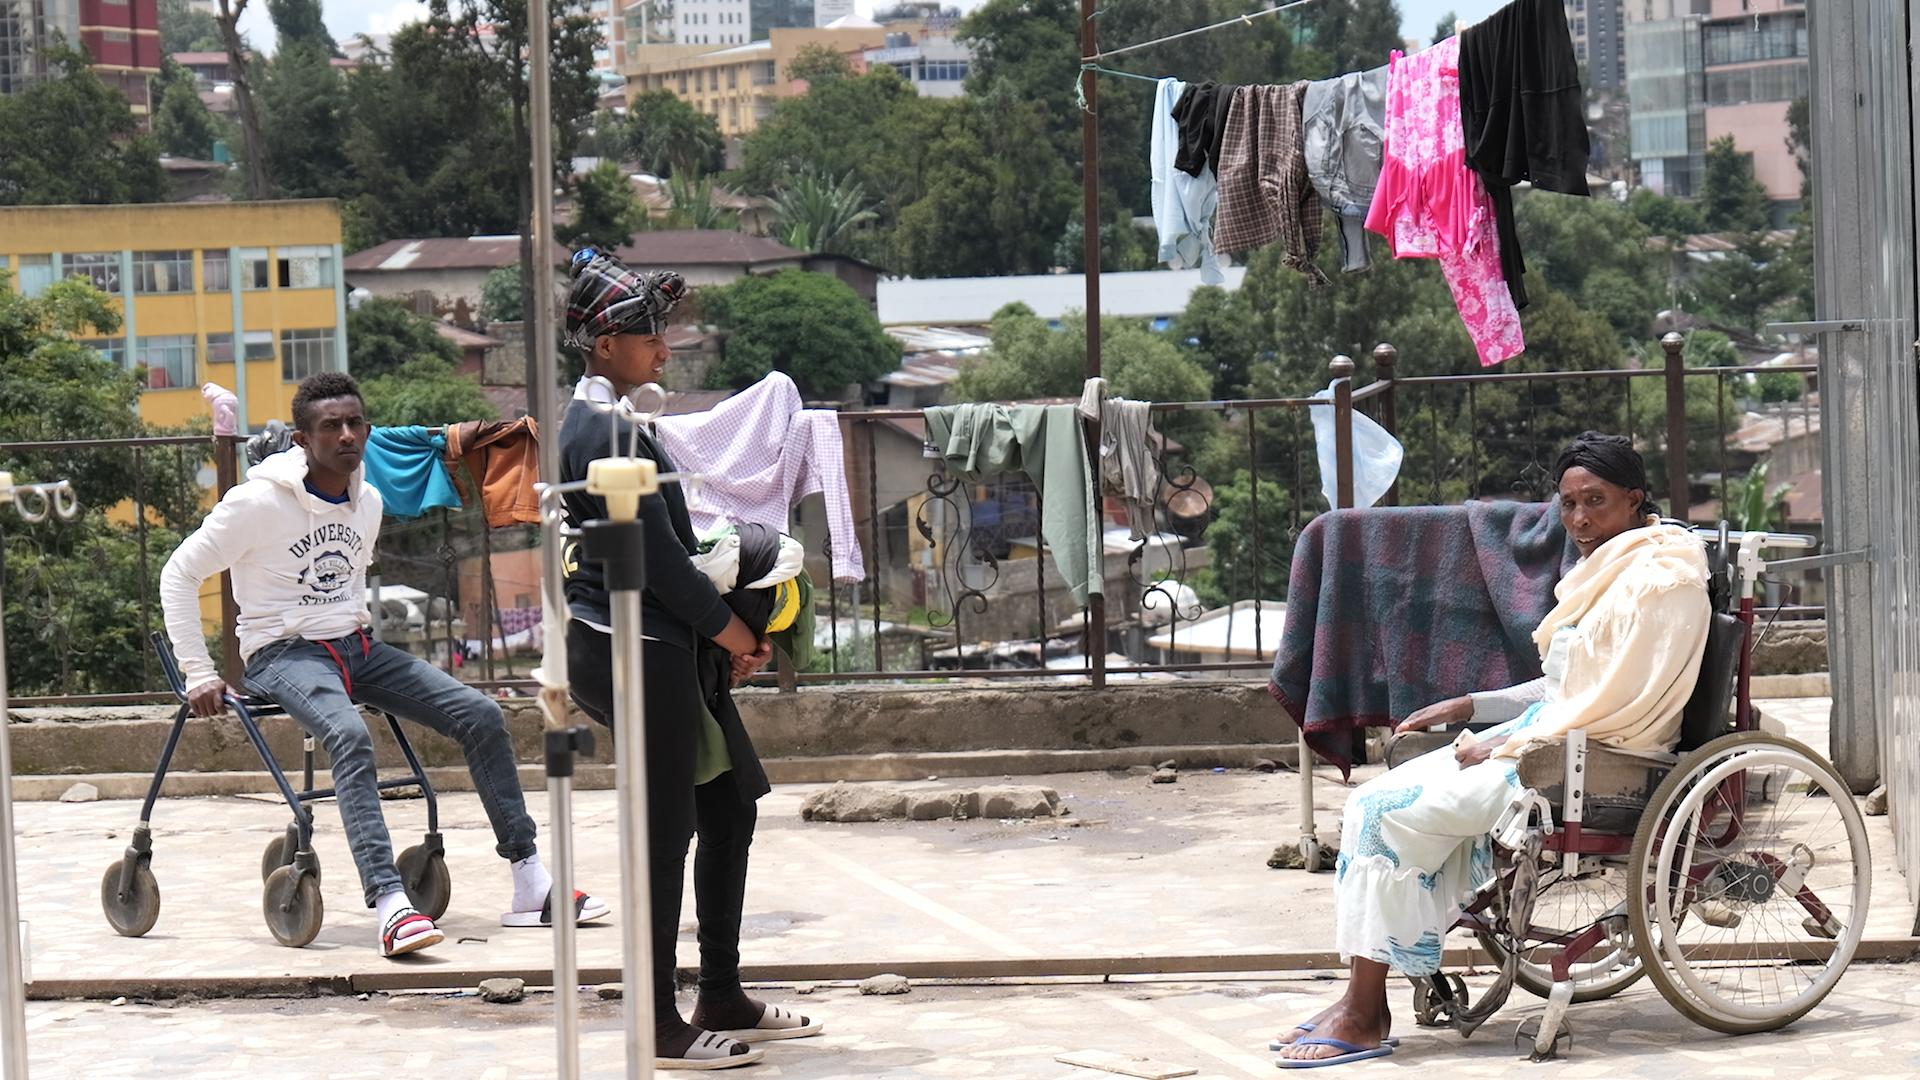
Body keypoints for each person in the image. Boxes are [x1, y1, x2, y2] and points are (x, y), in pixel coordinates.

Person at [1273, 432, 1711, 1067]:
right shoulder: (1612, 569)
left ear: (1635, 499)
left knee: (1376, 815)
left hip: (1589, 759)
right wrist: (1471, 707)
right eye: (1568, 504)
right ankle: (1360, 998)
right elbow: (1572, 683)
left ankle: (1366, 1011)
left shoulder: (1659, 581)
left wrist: (1512, 738)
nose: (1580, 519)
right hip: (1551, 738)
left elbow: (1616, 699)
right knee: (1370, 800)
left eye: (1597, 501)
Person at [159, 372, 608, 958]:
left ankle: (531, 883)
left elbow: (346, 589)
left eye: (355, 424)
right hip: (281, 653)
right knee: (349, 734)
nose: (347, 436)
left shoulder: (365, 499)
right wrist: (199, 672)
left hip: (357, 646)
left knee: (479, 713)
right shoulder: (255, 503)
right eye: (330, 426)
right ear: (302, 438)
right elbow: (178, 573)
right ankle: (391, 904)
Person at [559, 249, 821, 1070]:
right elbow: (651, 561)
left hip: (664, 642)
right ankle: (658, 1022)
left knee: (730, 805)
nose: (662, 351)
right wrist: (732, 633)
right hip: (630, 645)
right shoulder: (598, 430)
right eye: (647, 337)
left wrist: (717, 627)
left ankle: (720, 990)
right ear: (605, 345)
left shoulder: (617, 423)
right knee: (666, 832)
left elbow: (669, 546)